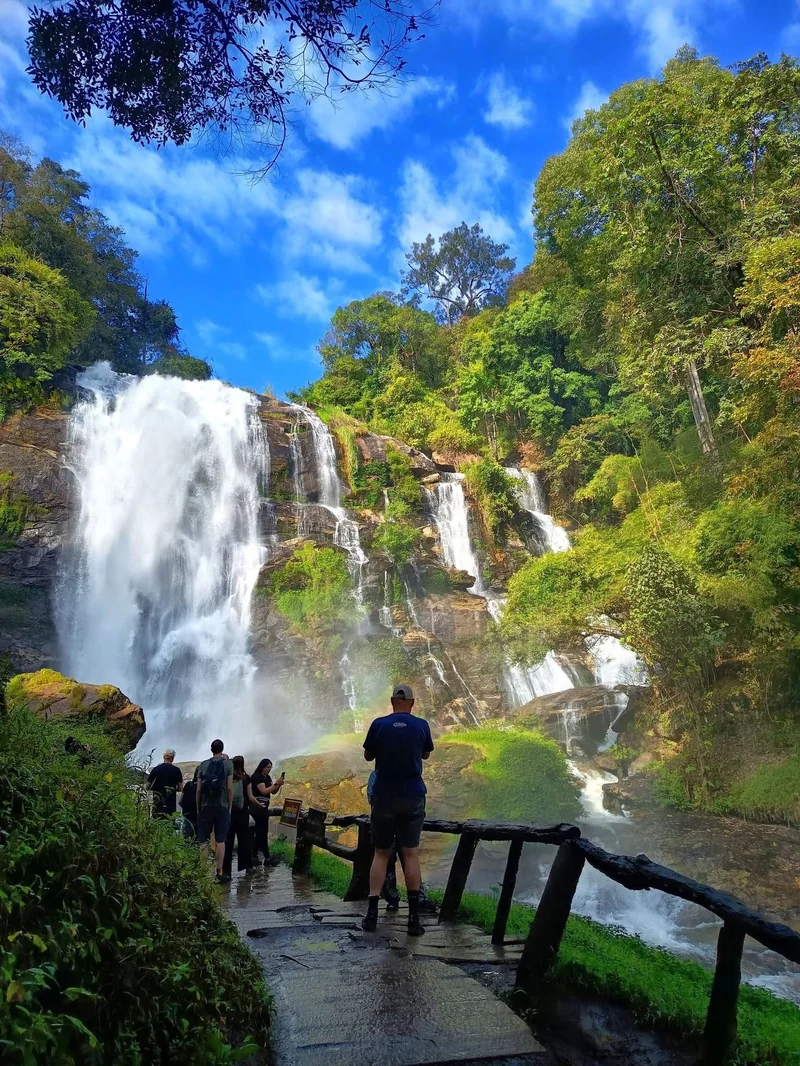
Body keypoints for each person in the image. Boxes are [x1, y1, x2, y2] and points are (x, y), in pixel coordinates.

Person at [362, 683, 433, 937]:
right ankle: (413, 920)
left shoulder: (379, 724)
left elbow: (368, 756)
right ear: (412, 703)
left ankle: (371, 915)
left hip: (384, 794)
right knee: (411, 853)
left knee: (381, 853)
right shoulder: (422, 725)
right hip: (413, 794)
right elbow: (425, 754)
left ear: (392, 700)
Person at [367, 770, 437, 915]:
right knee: (409, 856)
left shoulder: (377, 776)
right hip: (409, 807)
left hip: (385, 815)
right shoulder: (412, 776)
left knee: (385, 856)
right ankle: (416, 902)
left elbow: (373, 799)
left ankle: (387, 902)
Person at [196, 739, 234, 882]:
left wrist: (198, 807)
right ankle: (219, 871)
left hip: (205, 807)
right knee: (220, 840)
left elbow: (199, 790)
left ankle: (202, 871)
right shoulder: (228, 764)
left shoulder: (203, 765)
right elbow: (230, 788)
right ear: (222, 749)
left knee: (203, 840)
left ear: (211, 749)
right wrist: (229, 807)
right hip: (222, 806)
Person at [248, 758, 284, 866]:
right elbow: (263, 791)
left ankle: (254, 856)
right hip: (257, 807)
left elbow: (272, 791)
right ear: (262, 767)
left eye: (270, 767)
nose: (269, 769)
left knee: (261, 833)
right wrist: (275, 783)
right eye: (268, 767)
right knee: (261, 833)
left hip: (264, 807)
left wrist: (278, 785)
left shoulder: (267, 777)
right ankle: (266, 858)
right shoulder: (257, 777)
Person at [223, 756, 253, 877]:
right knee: (244, 840)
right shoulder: (246, 778)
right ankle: (247, 867)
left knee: (227, 841)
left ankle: (226, 871)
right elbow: (250, 797)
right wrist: (258, 805)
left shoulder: (228, 778)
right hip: (243, 813)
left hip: (229, 813)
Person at [147, 749, 183, 818]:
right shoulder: (176, 770)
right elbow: (181, 788)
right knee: (170, 823)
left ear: (164, 757)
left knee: (157, 822)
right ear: (172, 758)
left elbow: (147, 787)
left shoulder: (155, 770)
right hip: (170, 804)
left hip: (157, 803)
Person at [179, 767, 198, 839]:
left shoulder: (188, 785)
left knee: (186, 838)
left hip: (187, 814)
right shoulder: (204, 786)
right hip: (199, 815)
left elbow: (180, 801)